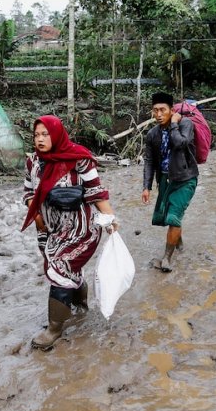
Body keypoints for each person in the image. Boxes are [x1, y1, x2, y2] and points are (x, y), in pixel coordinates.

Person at [22, 115, 118, 351]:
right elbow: (27, 192)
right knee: (61, 266)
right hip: (50, 229)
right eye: (37, 135)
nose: (40, 139)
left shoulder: (79, 159)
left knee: (59, 266)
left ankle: (54, 329)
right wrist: (36, 215)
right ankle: (79, 302)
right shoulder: (33, 161)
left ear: (56, 134)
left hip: (81, 229)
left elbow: (96, 192)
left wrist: (111, 221)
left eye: (45, 134)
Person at [141, 92, 199, 273]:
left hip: (185, 179)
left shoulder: (185, 125)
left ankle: (167, 258)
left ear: (171, 110)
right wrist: (146, 186)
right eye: (155, 110)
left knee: (173, 217)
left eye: (162, 110)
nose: (158, 114)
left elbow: (180, 143)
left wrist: (174, 124)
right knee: (168, 218)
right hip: (165, 181)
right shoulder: (152, 134)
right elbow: (149, 161)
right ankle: (179, 244)